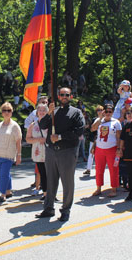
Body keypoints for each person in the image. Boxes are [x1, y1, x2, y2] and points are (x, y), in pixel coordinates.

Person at [35, 87, 85, 222]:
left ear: (71, 97)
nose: (64, 96)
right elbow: (42, 126)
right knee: (50, 181)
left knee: (67, 182)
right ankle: (48, 208)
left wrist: (61, 136)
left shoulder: (76, 112)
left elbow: (79, 131)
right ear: (58, 96)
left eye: (67, 95)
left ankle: (65, 210)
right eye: (62, 94)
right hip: (51, 151)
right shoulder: (53, 111)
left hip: (67, 151)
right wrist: (49, 112)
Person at [0, 102, 22, 202]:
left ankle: (2, 194)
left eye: (8, 110)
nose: (6, 112)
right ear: (1, 112)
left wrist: (19, 155)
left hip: (8, 155)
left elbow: (18, 141)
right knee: (4, 174)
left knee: (3, 175)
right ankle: (8, 190)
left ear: (12, 112)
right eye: (4, 110)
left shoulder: (14, 126)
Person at [91, 104, 122, 198]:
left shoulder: (116, 122)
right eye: (106, 111)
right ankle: (98, 188)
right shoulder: (100, 120)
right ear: (103, 111)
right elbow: (93, 129)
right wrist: (100, 117)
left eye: (110, 112)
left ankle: (114, 189)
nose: (108, 113)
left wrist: (119, 149)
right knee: (99, 169)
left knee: (113, 169)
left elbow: (119, 137)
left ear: (112, 112)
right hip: (100, 149)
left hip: (112, 148)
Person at [26, 103, 48, 200]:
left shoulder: (50, 124)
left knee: (51, 174)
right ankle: (45, 193)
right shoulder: (33, 125)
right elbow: (28, 139)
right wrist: (39, 140)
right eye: (40, 110)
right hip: (38, 152)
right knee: (42, 173)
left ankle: (52, 193)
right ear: (37, 112)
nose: (42, 112)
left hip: (49, 152)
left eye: (44, 110)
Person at [83, 105, 103, 176]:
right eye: (98, 110)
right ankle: (88, 169)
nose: (99, 112)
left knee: (100, 156)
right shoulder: (94, 119)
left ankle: (99, 170)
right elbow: (91, 129)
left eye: (100, 110)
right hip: (94, 139)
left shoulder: (104, 120)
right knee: (91, 154)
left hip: (102, 140)